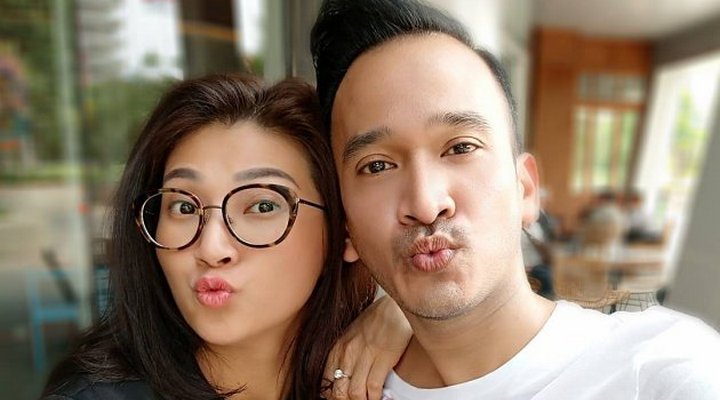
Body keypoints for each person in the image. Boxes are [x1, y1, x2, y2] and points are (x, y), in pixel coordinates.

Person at [311, 0, 720, 399]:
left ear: (525, 189)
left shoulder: (658, 368)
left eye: (461, 147)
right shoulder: (337, 380)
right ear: (345, 227)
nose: (426, 203)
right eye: (377, 166)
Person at [40, 74, 410, 399]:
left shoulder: (385, 374)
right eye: (183, 207)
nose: (211, 248)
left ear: (345, 231)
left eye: (262, 206)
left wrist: (411, 313)